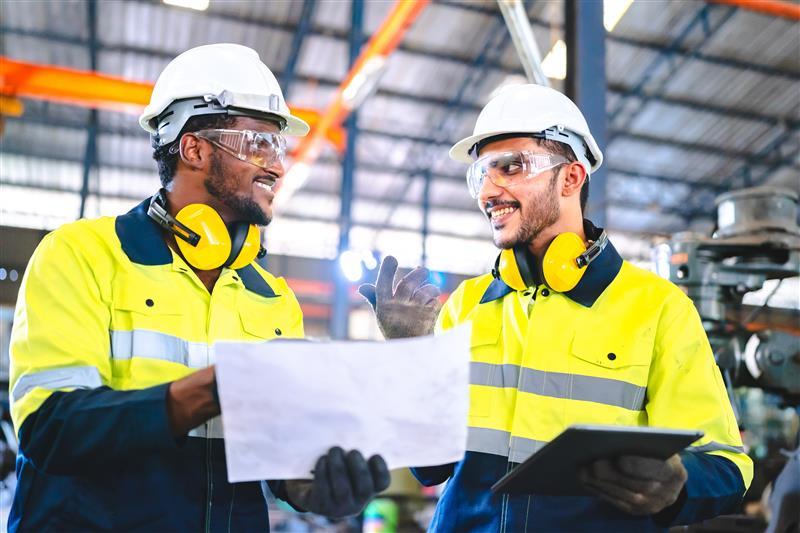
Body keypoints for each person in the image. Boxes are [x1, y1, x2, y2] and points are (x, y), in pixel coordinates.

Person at [8, 43, 389, 532]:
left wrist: (310, 487)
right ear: (194, 148)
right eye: (259, 145)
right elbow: (52, 430)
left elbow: (275, 459)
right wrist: (217, 387)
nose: (278, 166)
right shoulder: (82, 254)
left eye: (280, 147)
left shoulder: (273, 299)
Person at [359, 84, 752, 532]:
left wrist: (679, 483)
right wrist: (411, 358)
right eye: (480, 175)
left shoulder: (659, 309)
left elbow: (728, 467)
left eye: (510, 167)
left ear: (571, 178)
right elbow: (429, 470)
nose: (488, 190)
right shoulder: (465, 306)